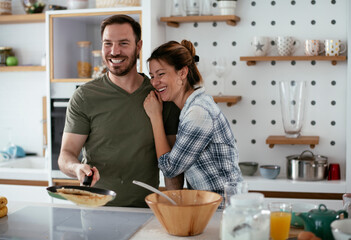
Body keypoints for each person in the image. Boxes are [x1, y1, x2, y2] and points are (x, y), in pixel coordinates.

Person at [57, 15, 181, 208]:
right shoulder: (84, 97)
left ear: (138, 47)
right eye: (108, 44)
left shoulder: (160, 95)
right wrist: (76, 167)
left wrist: (177, 208)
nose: (114, 51)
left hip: (146, 211)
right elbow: (66, 154)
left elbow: (172, 165)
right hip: (96, 211)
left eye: (123, 43)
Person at [143, 40, 242, 201]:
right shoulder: (193, 107)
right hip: (217, 207)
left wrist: (155, 117)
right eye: (152, 76)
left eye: (161, 74)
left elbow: (170, 169)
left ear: (182, 73)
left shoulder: (198, 114)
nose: (154, 82)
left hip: (224, 210)